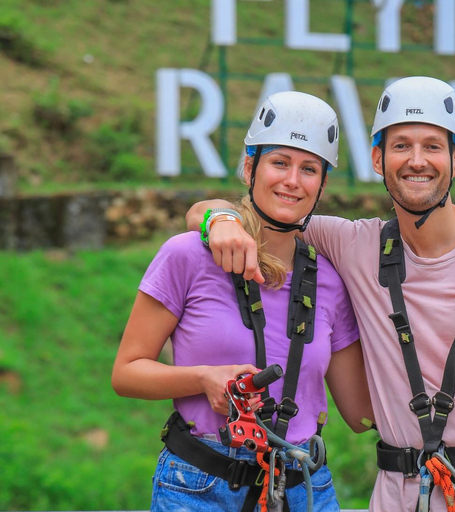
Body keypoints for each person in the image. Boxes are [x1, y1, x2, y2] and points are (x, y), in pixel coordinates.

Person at [186, 76, 455, 512]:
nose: (416, 160)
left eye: (432, 146)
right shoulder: (353, 245)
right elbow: (255, 213)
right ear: (378, 160)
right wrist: (219, 220)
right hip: (399, 494)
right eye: (401, 146)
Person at [112, 91, 373, 512]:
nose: (292, 180)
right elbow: (126, 373)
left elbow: (362, 414)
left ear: (322, 184)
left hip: (304, 486)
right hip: (200, 485)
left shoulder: (330, 279)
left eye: (309, 169)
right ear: (250, 167)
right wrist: (202, 379)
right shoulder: (186, 255)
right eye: (280, 162)